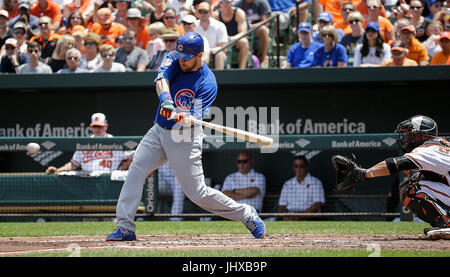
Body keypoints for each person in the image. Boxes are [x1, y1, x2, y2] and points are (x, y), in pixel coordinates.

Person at [105, 32, 266, 241]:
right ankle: (125, 226)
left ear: (199, 56)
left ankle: (246, 214)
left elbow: (195, 118)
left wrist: (185, 117)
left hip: (185, 137)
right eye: (179, 56)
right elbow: (161, 79)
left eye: (186, 58)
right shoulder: (176, 56)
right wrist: (166, 100)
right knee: (136, 168)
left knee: (197, 193)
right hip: (159, 130)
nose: (181, 60)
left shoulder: (207, 83)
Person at [332, 115, 450, 239]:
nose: (406, 139)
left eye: (410, 135)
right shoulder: (442, 146)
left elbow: (393, 164)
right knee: (419, 178)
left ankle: (447, 223)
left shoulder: (430, 148)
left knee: (410, 188)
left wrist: (363, 174)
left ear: (423, 136)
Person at [46, 113, 134, 174]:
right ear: (91, 127)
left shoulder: (115, 142)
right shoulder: (85, 143)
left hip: (107, 180)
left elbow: (134, 155)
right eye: (95, 126)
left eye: (99, 126)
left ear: (105, 126)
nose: (97, 129)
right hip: (87, 180)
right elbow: (73, 165)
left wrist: (121, 169)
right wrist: (57, 170)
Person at [278, 155, 325, 221]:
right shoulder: (288, 184)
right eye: (296, 166)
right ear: (293, 168)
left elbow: (317, 204)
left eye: (301, 166)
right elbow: (281, 205)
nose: (298, 169)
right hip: (290, 215)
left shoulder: (315, 182)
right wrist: (284, 217)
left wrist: (299, 217)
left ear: (306, 167)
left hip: (309, 216)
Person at [234, 0, 271, 66]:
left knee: (263, 29)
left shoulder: (262, 2)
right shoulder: (238, 3)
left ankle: (263, 58)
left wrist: (250, 27)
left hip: (256, 30)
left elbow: (266, 22)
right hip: (242, 31)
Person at [215, 0, 249, 69]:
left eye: (228, 1)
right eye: (223, 2)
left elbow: (243, 33)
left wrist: (230, 39)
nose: (225, 4)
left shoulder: (239, 13)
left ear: (232, 2)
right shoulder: (216, 15)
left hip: (235, 41)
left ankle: (241, 70)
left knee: (244, 42)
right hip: (220, 43)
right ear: (220, 3)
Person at [194, 1, 228, 69]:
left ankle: (219, 78)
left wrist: (208, 51)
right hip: (199, 54)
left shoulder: (220, 25)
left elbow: (224, 48)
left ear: (210, 12)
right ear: (197, 13)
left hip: (215, 53)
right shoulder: (193, 25)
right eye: (201, 11)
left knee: (220, 54)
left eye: (205, 11)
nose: (203, 14)